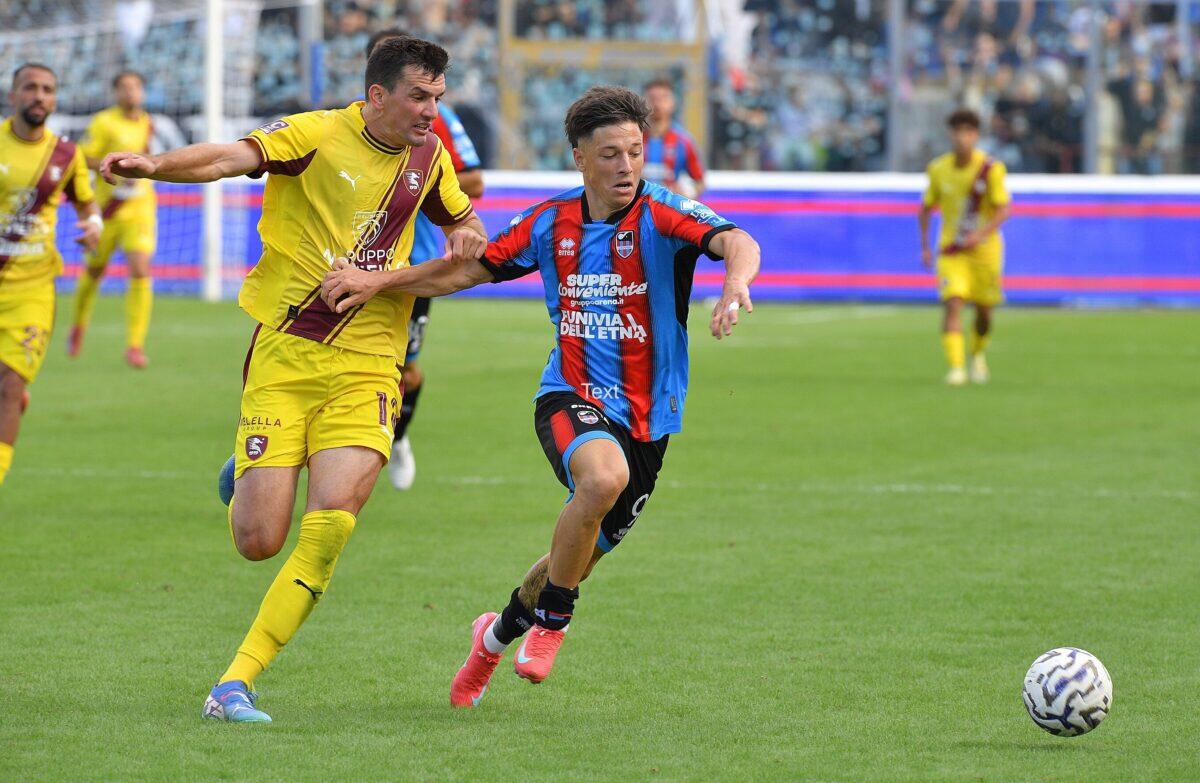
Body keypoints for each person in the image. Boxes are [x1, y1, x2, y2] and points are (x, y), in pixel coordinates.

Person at [319, 86, 760, 707]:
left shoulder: (664, 215)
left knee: (574, 554)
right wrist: (378, 282)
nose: (626, 166)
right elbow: (464, 270)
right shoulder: (551, 222)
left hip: (650, 418)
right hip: (569, 395)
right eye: (610, 154)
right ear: (580, 158)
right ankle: (555, 619)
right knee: (600, 481)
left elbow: (738, 241)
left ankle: (492, 638)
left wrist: (736, 280)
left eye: (634, 152)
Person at [100, 37, 487, 722]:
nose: (434, 110)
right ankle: (244, 474)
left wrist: (466, 234)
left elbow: (463, 221)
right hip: (286, 351)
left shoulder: (430, 157)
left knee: (331, 524)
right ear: (377, 96)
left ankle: (234, 683)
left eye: (439, 96)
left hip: (370, 358)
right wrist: (153, 165)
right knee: (259, 540)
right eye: (420, 96)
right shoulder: (315, 133)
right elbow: (228, 157)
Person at [364, 29, 486, 490]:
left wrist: (423, 183)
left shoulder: (434, 123)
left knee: (405, 370)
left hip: (412, 267)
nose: (426, 104)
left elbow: (474, 182)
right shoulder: (339, 127)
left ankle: (396, 438)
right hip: (345, 264)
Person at [0, 63, 100, 487]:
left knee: (7, 383)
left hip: (33, 290)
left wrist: (94, 224)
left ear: (55, 99)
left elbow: (86, 202)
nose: (39, 96)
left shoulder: (66, 154)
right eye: (30, 88)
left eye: (47, 89)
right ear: (13, 95)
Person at [70, 71, 157, 368]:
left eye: (135, 87)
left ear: (142, 92)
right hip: (107, 210)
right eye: (124, 88)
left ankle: (134, 345)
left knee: (140, 268)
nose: (130, 93)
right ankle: (79, 325)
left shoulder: (148, 123)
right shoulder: (104, 122)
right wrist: (112, 164)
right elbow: (82, 157)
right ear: (116, 93)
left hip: (139, 209)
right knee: (94, 272)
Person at [919, 108, 1011, 386]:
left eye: (968, 132)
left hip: (985, 252)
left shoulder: (990, 169)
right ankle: (956, 368)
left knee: (984, 312)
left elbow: (1003, 209)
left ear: (976, 135)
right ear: (951, 134)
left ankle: (978, 353)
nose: (962, 138)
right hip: (952, 250)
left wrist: (979, 234)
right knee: (953, 303)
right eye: (957, 132)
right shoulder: (938, 169)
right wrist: (925, 246)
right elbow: (925, 208)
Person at [642, 78, 705, 197]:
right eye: (652, 98)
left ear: (672, 103)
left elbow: (699, 182)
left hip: (668, 209)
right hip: (634, 210)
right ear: (643, 103)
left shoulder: (683, 141)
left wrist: (686, 194)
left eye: (663, 98)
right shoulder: (631, 137)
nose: (657, 103)